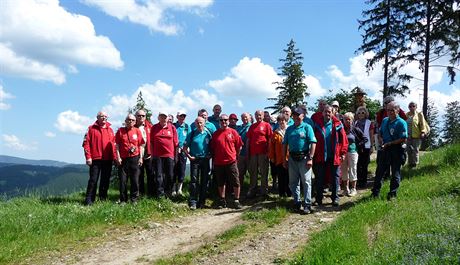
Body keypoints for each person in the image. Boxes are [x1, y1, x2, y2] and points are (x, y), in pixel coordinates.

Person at [312, 105, 348, 207]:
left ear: (333, 113)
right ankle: (319, 199)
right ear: (322, 113)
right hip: (320, 156)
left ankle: (335, 198)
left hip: (334, 156)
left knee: (335, 178)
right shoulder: (316, 124)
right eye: (325, 112)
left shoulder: (338, 124)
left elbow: (344, 141)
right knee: (319, 178)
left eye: (329, 112)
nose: (327, 114)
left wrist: (343, 153)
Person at [283, 107, 317, 214]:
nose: (296, 117)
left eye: (299, 115)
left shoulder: (307, 127)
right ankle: (297, 202)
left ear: (303, 116)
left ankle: (307, 204)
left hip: (304, 158)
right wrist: (285, 158)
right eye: (294, 115)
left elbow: (313, 143)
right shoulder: (289, 129)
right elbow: (285, 144)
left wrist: (310, 158)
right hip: (292, 158)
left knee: (306, 182)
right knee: (293, 182)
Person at [372, 101, 408, 200]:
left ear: (397, 110)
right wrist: (380, 139)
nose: (390, 112)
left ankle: (392, 194)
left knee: (395, 173)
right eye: (388, 110)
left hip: (396, 149)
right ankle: (375, 193)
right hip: (385, 149)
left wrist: (390, 143)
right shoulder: (384, 120)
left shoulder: (401, 123)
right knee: (380, 171)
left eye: (392, 110)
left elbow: (403, 138)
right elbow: (380, 133)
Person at [82, 111, 117, 205]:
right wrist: (88, 157)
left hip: (108, 159)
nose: (104, 118)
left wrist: (115, 158)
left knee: (105, 180)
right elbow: (86, 144)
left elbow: (113, 146)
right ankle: (89, 200)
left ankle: (103, 199)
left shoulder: (110, 130)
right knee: (93, 180)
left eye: (106, 116)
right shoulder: (91, 128)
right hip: (95, 159)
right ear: (97, 117)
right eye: (102, 116)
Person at [210, 114, 244, 209]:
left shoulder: (233, 132)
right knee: (221, 183)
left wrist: (235, 156)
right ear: (219, 122)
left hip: (231, 161)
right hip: (218, 162)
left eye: (225, 120)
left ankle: (236, 200)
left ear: (228, 121)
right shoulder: (216, 134)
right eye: (221, 120)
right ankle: (222, 199)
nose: (223, 122)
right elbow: (213, 148)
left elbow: (239, 146)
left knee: (235, 181)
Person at [115, 114, 145, 204]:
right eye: (129, 119)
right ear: (125, 121)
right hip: (123, 159)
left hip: (134, 158)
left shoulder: (137, 131)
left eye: (132, 120)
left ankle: (134, 199)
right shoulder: (120, 131)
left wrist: (141, 158)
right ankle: (123, 200)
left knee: (135, 180)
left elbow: (141, 145)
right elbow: (116, 145)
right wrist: (118, 157)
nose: (130, 121)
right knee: (123, 181)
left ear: (135, 122)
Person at [183, 117, 212, 209]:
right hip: (194, 160)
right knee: (194, 181)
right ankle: (193, 201)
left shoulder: (208, 134)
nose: (199, 125)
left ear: (204, 123)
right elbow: (184, 148)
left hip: (205, 160)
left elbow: (213, 146)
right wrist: (189, 157)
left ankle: (202, 201)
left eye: (201, 123)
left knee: (204, 181)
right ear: (195, 124)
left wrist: (210, 155)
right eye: (198, 123)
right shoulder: (192, 134)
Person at [150, 111, 178, 198]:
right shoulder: (154, 128)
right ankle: (160, 194)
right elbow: (151, 142)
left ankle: (168, 193)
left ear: (167, 118)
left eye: (165, 117)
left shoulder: (172, 127)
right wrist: (151, 154)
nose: (163, 118)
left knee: (170, 175)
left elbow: (176, 144)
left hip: (169, 155)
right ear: (158, 118)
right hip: (157, 155)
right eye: (161, 117)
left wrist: (176, 156)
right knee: (158, 175)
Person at [246, 110, 273, 198]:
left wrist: (269, 151)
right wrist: (247, 151)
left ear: (263, 116)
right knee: (253, 172)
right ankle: (253, 190)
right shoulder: (252, 126)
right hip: (253, 153)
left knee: (264, 172)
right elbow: (248, 140)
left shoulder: (266, 125)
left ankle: (264, 191)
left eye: (260, 115)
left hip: (263, 152)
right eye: (257, 115)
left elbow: (269, 139)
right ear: (255, 116)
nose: (258, 117)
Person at [340, 112, 364, 197]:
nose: (347, 121)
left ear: (352, 120)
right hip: (343, 153)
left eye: (349, 119)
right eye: (345, 119)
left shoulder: (356, 129)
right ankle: (346, 189)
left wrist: (357, 146)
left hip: (353, 152)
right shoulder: (341, 130)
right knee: (343, 170)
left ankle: (353, 189)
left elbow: (364, 139)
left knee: (353, 169)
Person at [269, 114, 291, 197]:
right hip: (279, 158)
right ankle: (281, 194)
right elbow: (271, 147)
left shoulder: (290, 130)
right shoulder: (275, 133)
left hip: (290, 158)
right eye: (280, 120)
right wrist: (272, 157)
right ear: (277, 122)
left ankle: (290, 193)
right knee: (281, 177)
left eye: (283, 120)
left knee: (289, 177)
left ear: (286, 121)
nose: (281, 122)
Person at [134, 109, 154, 197]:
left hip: (149, 154)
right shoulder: (132, 126)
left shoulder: (150, 126)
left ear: (145, 117)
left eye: (143, 116)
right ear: (136, 117)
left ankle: (150, 193)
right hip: (137, 155)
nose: (141, 117)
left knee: (150, 175)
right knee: (139, 175)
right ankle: (141, 194)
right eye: (139, 116)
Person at [354, 106, 374, 188]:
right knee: (358, 164)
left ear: (366, 113)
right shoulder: (355, 123)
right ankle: (358, 180)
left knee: (365, 164)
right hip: (357, 146)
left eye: (363, 112)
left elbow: (371, 135)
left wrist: (372, 146)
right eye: (359, 113)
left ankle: (364, 181)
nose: (361, 114)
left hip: (366, 146)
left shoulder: (369, 122)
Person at [172, 111, 191, 196]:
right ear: (177, 116)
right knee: (173, 169)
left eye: (184, 116)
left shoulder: (187, 127)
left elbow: (189, 137)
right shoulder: (173, 126)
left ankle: (179, 189)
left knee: (182, 169)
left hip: (183, 150)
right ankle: (173, 189)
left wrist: (186, 147)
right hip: (173, 150)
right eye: (180, 116)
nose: (182, 117)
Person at [406, 102, 429, 168]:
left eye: (413, 106)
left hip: (416, 136)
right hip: (408, 136)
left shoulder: (419, 114)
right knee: (409, 150)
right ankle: (410, 164)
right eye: (410, 106)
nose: (411, 107)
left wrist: (422, 132)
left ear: (416, 107)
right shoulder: (406, 115)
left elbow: (423, 124)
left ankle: (415, 164)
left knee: (415, 150)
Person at [236, 112, 251, 186]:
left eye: (246, 117)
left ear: (249, 117)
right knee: (240, 172)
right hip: (241, 153)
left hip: (250, 153)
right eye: (243, 117)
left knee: (252, 172)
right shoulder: (239, 128)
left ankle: (252, 188)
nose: (245, 118)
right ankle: (240, 188)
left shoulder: (252, 126)